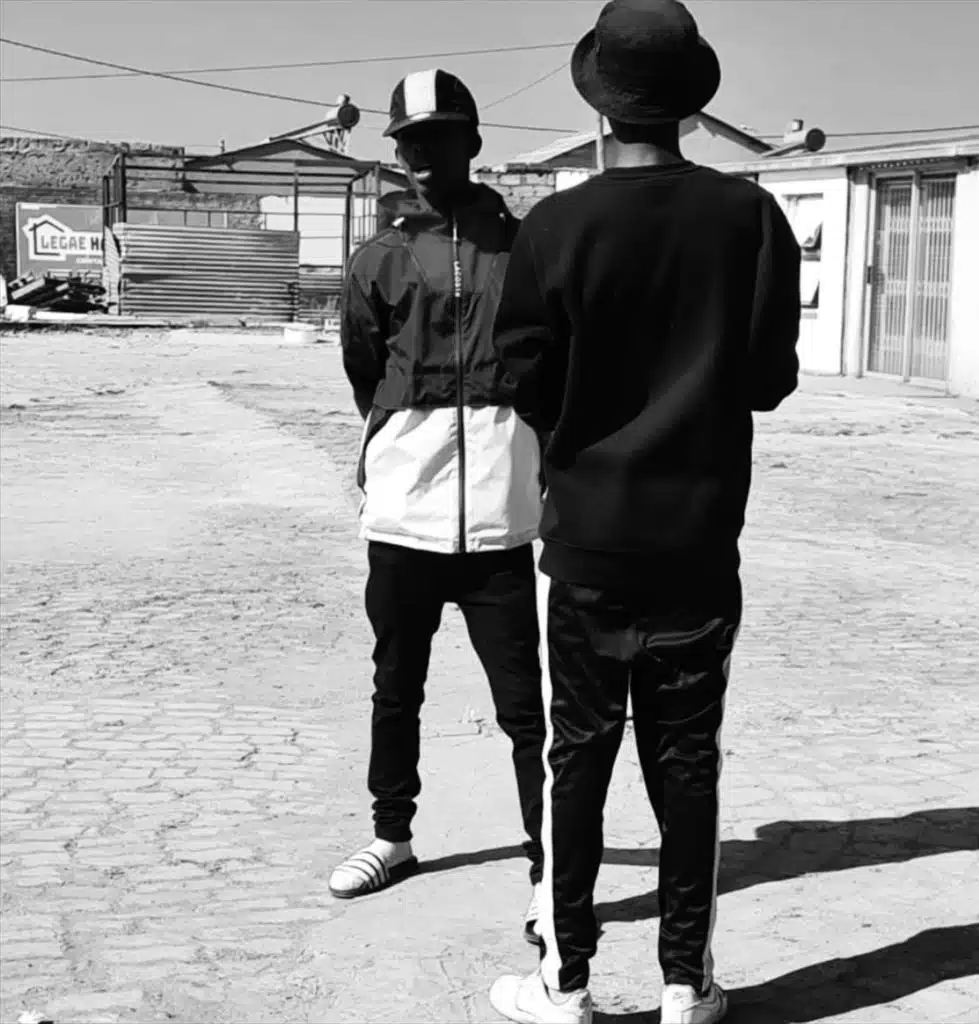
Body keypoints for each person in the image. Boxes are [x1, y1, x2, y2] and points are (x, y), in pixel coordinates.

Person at [486, 2, 802, 1021]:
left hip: (587, 540)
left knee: (575, 758)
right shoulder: (750, 219)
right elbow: (767, 381)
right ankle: (683, 981)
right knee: (688, 762)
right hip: (699, 541)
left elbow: (520, 375)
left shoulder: (553, 226)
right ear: (690, 105)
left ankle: (565, 980)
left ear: (599, 104)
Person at [333, 68, 547, 946]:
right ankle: (392, 837)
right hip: (404, 520)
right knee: (397, 688)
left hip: (499, 520)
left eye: (439, 138)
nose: (423, 155)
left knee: (526, 708)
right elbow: (363, 368)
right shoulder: (377, 258)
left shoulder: (523, 248)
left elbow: (549, 356)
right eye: (410, 141)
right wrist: (403, 444)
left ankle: (550, 868)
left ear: (472, 142)